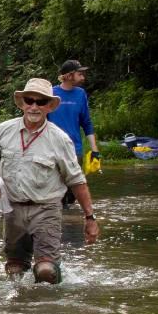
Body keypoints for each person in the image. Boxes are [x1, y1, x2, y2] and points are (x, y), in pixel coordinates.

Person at [0, 77, 101, 283]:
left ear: (49, 106)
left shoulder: (59, 139)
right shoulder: (2, 131)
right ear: (22, 103)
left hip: (46, 209)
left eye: (41, 102)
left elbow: (76, 180)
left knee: (46, 271)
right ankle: (22, 311)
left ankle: (51, 311)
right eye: (30, 100)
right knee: (14, 270)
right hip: (12, 210)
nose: (34, 106)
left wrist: (90, 218)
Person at [48, 59, 100, 207]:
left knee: (72, 194)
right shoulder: (51, 93)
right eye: (80, 73)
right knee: (53, 192)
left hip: (74, 151)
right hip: (52, 150)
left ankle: (69, 222)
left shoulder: (81, 94)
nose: (83, 77)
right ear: (69, 75)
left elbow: (87, 123)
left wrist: (94, 149)